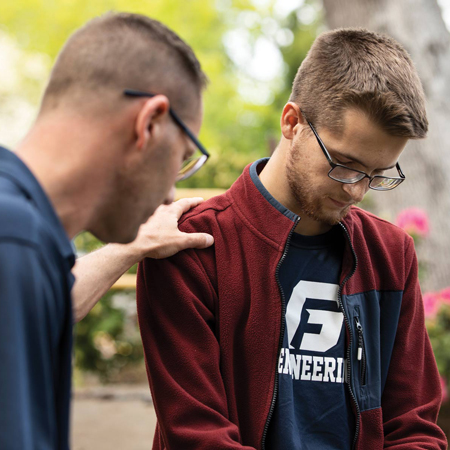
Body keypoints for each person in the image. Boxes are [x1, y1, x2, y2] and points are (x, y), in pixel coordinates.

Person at [137, 28, 448, 449]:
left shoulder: (391, 254)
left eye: (377, 175)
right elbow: (197, 435)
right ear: (292, 122)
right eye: (344, 164)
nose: (357, 191)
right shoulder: (192, 246)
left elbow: (413, 427)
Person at [0, 12, 213, 450]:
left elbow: (60, 296)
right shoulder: (14, 243)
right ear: (149, 123)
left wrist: (133, 246)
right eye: (183, 157)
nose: (172, 192)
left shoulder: (21, 232)